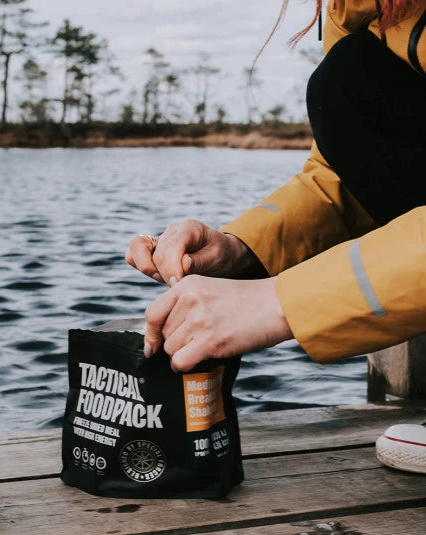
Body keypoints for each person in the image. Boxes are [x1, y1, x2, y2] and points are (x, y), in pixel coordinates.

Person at [126, 0, 426, 474]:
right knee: (349, 78)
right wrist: (243, 250)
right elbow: (343, 180)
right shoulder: (357, 10)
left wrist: (280, 303)